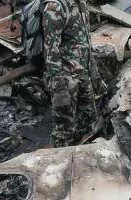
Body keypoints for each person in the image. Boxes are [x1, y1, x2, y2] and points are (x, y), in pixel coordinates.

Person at [41, 0, 98, 147]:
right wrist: (59, 87)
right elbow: (50, 51)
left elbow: (85, 40)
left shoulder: (82, 4)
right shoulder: (55, 8)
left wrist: (93, 70)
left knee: (88, 121)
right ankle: (59, 165)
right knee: (64, 130)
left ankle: (80, 159)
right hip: (66, 80)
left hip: (84, 75)